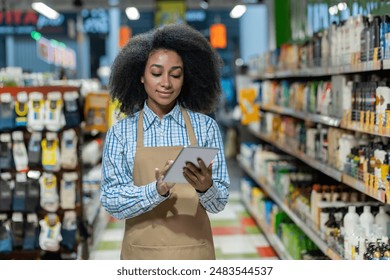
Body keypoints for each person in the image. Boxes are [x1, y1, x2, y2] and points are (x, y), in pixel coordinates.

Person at [100, 23, 230, 260]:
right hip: (141, 256)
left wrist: (206, 187)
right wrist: (156, 191)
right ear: (140, 75)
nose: (166, 83)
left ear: (186, 77)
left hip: (195, 255)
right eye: (156, 73)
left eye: (176, 74)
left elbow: (218, 204)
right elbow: (111, 201)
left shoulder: (205, 128)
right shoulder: (121, 133)